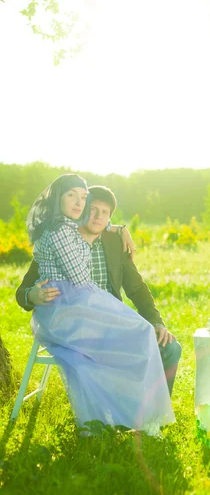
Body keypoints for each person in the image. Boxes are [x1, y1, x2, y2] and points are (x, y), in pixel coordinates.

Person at [21, 173, 175, 434]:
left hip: (101, 314)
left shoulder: (114, 243)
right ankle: (131, 420)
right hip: (73, 314)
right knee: (132, 342)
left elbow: (137, 289)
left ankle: (145, 417)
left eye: (105, 213)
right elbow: (25, 288)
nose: (97, 216)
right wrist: (31, 295)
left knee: (168, 346)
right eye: (92, 208)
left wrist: (157, 322)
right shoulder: (61, 235)